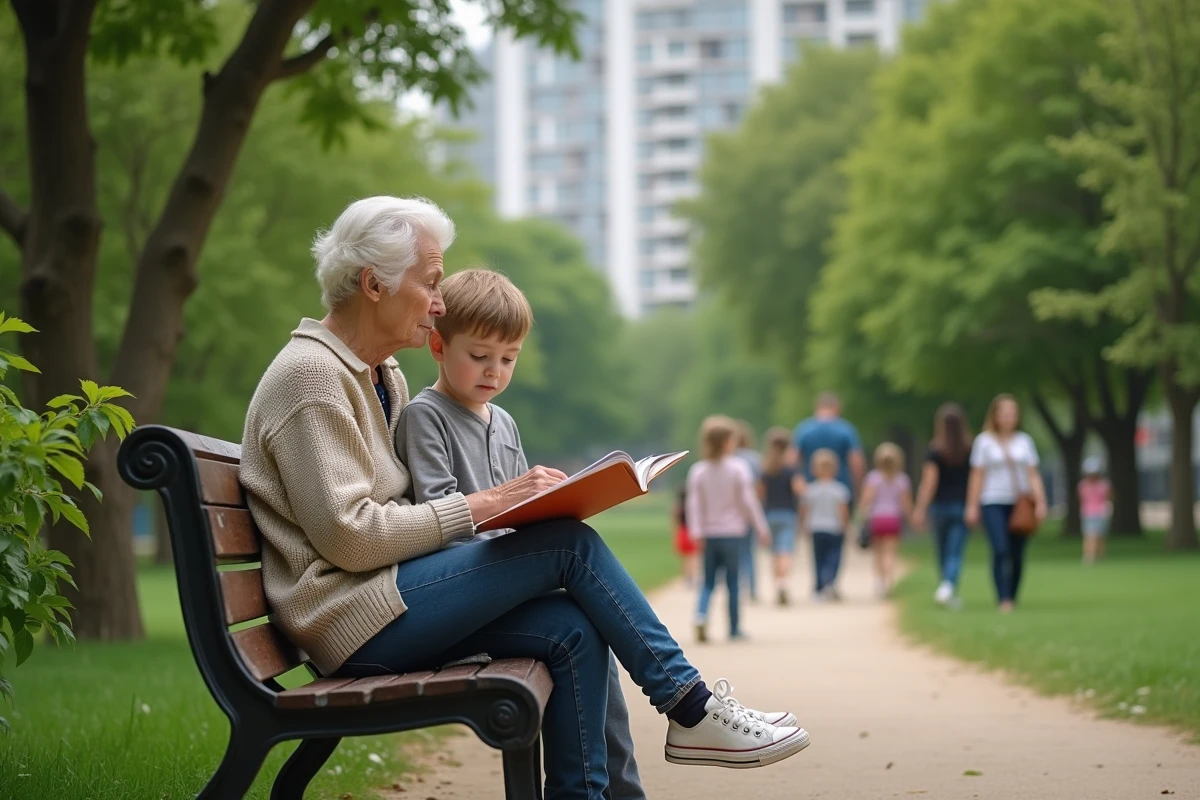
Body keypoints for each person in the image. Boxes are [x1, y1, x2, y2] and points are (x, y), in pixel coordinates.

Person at [239, 197, 809, 800]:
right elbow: (349, 538)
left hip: (387, 601)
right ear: (372, 284)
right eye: (430, 283)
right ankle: (690, 707)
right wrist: (488, 506)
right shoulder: (312, 378)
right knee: (570, 547)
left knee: (573, 628)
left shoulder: (380, 375)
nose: (439, 302)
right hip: (350, 621)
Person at [393, 268, 640, 798]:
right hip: (458, 592)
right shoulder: (424, 417)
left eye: (508, 359)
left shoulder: (502, 423)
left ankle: (616, 792)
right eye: (479, 356)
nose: (493, 371)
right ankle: (683, 705)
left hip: (502, 580)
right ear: (438, 344)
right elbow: (440, 520)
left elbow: (521, 511)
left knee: (593, 628)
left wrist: (556, 504)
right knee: (584, 599)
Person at [686, 416, 771, 643]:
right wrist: (761, 527)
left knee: (708, 581)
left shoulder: (699, 471)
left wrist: (696, 532)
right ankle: (734, 629)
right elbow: (748, 502)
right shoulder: (738, 468)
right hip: (733, 533)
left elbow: (694, 505)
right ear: (726, 442)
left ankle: (701, 615)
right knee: (734, 582)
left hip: (709, 535)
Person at [965, 394, 1048, 613]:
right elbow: (977, 475)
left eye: (1012, 413)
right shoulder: (983, 442)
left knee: (1017, 553)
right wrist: (972, 505)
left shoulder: (1025, 441)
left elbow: (1033, 474)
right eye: (1004, 413)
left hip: (1019, 502)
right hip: (992, 500)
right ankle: (1003, 598)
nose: (1008, 417)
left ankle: (1012, 593)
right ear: (995, 415)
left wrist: (1040, 501)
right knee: (1000, 549)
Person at [793, 394, 864, 589]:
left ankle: (819, 582)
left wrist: (798, 485)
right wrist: (857, 488)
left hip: (812, 490)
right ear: (837, 408)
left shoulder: (804, 429)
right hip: (841, 489)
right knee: (837, 539)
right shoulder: (846, 430)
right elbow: (855, 461)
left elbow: (793, 460)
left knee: (817, 543)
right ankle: (831, 580)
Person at [913, 403, 973, 607]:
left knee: (942, 551)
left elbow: (930, 483)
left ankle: (945, 586)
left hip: (939, 507)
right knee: (955, 551)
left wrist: (920, 508)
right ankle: (948, 587)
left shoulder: (935, 450)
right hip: (962, 506)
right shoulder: (970, 449)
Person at [856, 443, 913, 598]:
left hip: (877, 519)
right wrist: (911, 518)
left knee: (878, 553)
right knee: (890, 553)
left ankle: (879, 582)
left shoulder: (873, 478)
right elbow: (905, 503)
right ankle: (889, 581)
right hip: (894, 519)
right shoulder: (902, 479)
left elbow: (867, 499)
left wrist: (860, 515)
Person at [758, 426, 805, 606]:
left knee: (774, 553)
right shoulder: (791, 469)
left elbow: (759, 494)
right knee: (785, 551)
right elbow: (799, 489)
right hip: (788, 514)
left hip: (769, 514)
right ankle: (783, 583)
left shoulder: (766, 468)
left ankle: (777, 584)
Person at [799, 449, 850, 602]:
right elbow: (843, 511)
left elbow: (805, 510)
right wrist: (845, 526)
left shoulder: (810, 490)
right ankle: (831, 580)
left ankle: (819, 588)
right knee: (835, 556)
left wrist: (802, 525)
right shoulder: (840, 489)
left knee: (818, 558)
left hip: (816, 527)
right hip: (834, 528)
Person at [734, 421, 762, 603]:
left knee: (735, 553)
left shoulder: (730, 458)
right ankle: (751, 588)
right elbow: (759, 486)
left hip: (732, 511)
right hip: (749, 508)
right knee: (750, 551)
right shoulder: (755, 459)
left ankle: (736, 586)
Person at [1078, 457, 1112, 565]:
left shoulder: (1104, 485)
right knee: (1089, 535)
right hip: (1088, 512)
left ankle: (1099, 556)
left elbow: (1108, 498)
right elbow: (1081, 499)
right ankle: (1089, 556)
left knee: (1100, 536)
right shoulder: (1083, 485)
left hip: (1101, 512)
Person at [672, 485, 699, 587]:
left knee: (684, 558)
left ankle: (686, 577)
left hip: (682, 532)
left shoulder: (678, 507)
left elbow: (675, 521)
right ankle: (692, 577)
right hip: (691, 532)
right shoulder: (692, 506)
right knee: (693, 557)